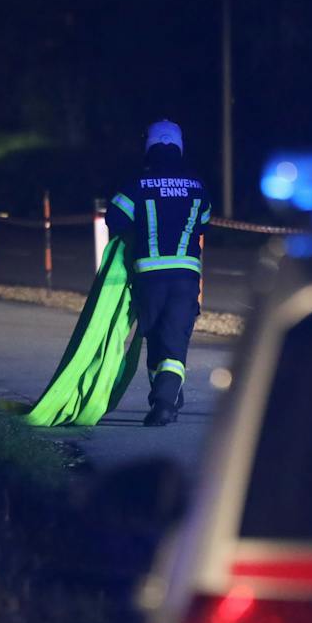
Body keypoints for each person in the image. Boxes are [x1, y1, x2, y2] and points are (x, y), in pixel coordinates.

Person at [107, 119, 212, 426]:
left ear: (149, 146)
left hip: (149, 278)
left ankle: (166, 398)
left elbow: (115, 218)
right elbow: (203, 221)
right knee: (175, 341)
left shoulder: (138, 184)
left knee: (155, 338)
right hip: (186, 277)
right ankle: (168, 398)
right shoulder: (197, 186)